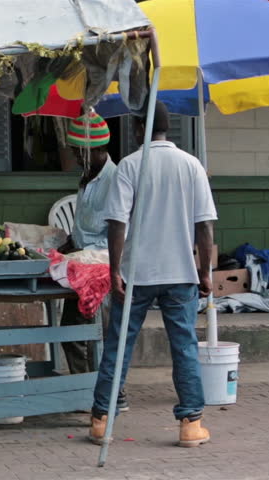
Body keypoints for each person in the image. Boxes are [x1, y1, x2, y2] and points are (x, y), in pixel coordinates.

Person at [89, 101, 216, 447]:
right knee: (184, 348)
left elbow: (117, 223)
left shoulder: (129, 166)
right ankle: (191, 424)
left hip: (136, 274)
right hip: (181, 274)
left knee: (119, 345)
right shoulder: (192, 166)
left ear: (135, 129)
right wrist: (205, 273)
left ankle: (102, 419)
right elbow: (204, 228)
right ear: (168, 129)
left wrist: (114, 270)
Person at [57, 111, 128, 407]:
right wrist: (67, 244)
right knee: (72, 333)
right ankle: (87, 389)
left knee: (100, 335)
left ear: (97, 150)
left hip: (103, 269)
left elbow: (117, 228)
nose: (75, 157)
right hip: (80, 264)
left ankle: (110, 392)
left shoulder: (115, 180)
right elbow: (84, 226)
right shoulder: (86, 178)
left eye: (79, 152)